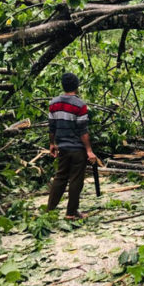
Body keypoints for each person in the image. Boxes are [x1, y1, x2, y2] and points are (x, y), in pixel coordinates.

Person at [47, 73, 97, 220]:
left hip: (62, 147)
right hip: (77, 148)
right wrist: (89, 150)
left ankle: (50, 210)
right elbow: (83, 130)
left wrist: (52, 144)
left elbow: (51, 126)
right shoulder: (80, 105)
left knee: (60, 178)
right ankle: (71, 212)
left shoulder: (53, 103)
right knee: (76, 179)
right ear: (77, 86)